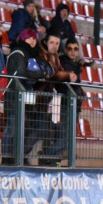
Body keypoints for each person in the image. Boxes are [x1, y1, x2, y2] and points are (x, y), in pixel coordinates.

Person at [1, 28, 53, 165]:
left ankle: (17, 157)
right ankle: (6, 158)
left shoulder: (29, 54)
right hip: (14, 95)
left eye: (34, 38)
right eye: (30, 38)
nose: (32, 41)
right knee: (12, 128)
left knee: (25, 128)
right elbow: (22, 72)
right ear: (23, 38)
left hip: (24, 95)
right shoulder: (19, 52)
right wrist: (40, 74)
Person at [35, 33, 72, 165]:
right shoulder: (42, 56)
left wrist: (65, 75)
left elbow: (59, 72)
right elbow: (53, 74)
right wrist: (67, 75)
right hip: (41, 99)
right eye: (52, 43)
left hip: (50, 99)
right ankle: (46, 156)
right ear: (46, 42)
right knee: (41, 131)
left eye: (57, 43)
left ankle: (48, 157)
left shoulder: (56, 57)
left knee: (53, 132)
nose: (55, 46)